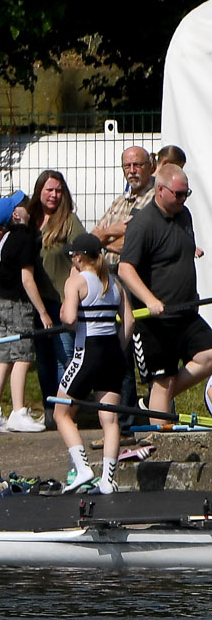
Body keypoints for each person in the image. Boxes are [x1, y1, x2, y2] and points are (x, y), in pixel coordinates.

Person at [117, 163, 212, 417]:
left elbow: (173, 246)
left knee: (209, 356)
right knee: (163, 380)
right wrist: (150, 301)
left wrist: (191, 249)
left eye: (186, 194)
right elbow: (125, 268)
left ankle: (154, 404)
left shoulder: (184, 215)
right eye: (178, 194)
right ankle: (159, 438)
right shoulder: (143, 223)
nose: (183, 199)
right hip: (154, 321)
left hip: (185, 312)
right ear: (160, 190)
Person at [54, 234, 131, 493]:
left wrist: (66, 301)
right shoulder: (114, 282)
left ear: (78, 257)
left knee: (61, 412)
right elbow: (129, 321)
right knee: (109, 420)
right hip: (112, 352)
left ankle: (84, 469)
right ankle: (108, 480)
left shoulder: (75, 281)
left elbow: (69, 319)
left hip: (88, 352)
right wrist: (118, 347)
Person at [0, 192, 55, 434]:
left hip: (2, 302)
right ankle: (18, 412)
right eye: (23, 204)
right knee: (22, 357)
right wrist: (42, 312)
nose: (28, 206)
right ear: (16, 214)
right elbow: (27, 278)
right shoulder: (24, 237)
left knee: (5, 358)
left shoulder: (8, 238)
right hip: (18, 305)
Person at [28, 168, 80, 398]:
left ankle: (65, 407)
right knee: (43, 357)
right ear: (39, 191)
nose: (54, 195)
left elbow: (83, 256)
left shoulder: (69, 221)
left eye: (59, 191)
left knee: (63, 356)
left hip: (60, 300)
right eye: (49, 189)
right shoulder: (29, 219)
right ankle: (49, 407)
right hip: (34, 301)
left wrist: (72, 293)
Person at [94, 146, 156, 260]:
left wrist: (104, 242)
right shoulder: (119, 202)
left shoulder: (156, 198)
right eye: (127, 166)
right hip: (109, 274)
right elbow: (92, 238)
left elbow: (135, 243)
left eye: (137, 165)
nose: (132, 171)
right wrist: (111, 230)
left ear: (149, 167)